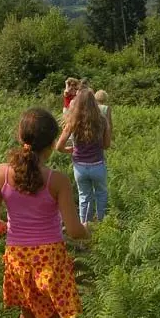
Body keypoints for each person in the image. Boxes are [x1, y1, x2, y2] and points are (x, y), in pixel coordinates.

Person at [0, 108, 89, 318]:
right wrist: (89, 231)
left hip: (17, 257)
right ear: (52, 143)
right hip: (49, 259)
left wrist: (2, 228)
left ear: (21, 137)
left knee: (27, 312)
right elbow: (73, 230)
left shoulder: (1, 173)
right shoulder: (57, 180)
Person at [56, 89, 111, 224]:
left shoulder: (73, 121)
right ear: (94, 102)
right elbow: (106, 145)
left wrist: (71, 149)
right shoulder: (102, 120)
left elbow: (59, 146)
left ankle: (84, 226)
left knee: (84, 197)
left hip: (80, 167)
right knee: (101, 194)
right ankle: (101, 225)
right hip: (98, 165)